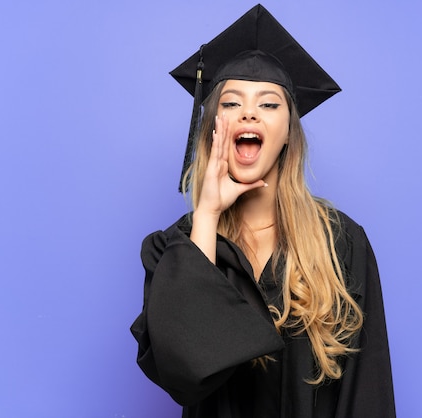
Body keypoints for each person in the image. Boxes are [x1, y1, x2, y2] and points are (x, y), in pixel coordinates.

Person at [131, 4, 396, 417]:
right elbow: (183, 368)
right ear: (213, 127)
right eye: (231, 103)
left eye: (269, 104)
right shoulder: (178, 246)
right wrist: (206, 216)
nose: (249, 113)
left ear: (289, 130)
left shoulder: (341, 242)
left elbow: (367, 390)